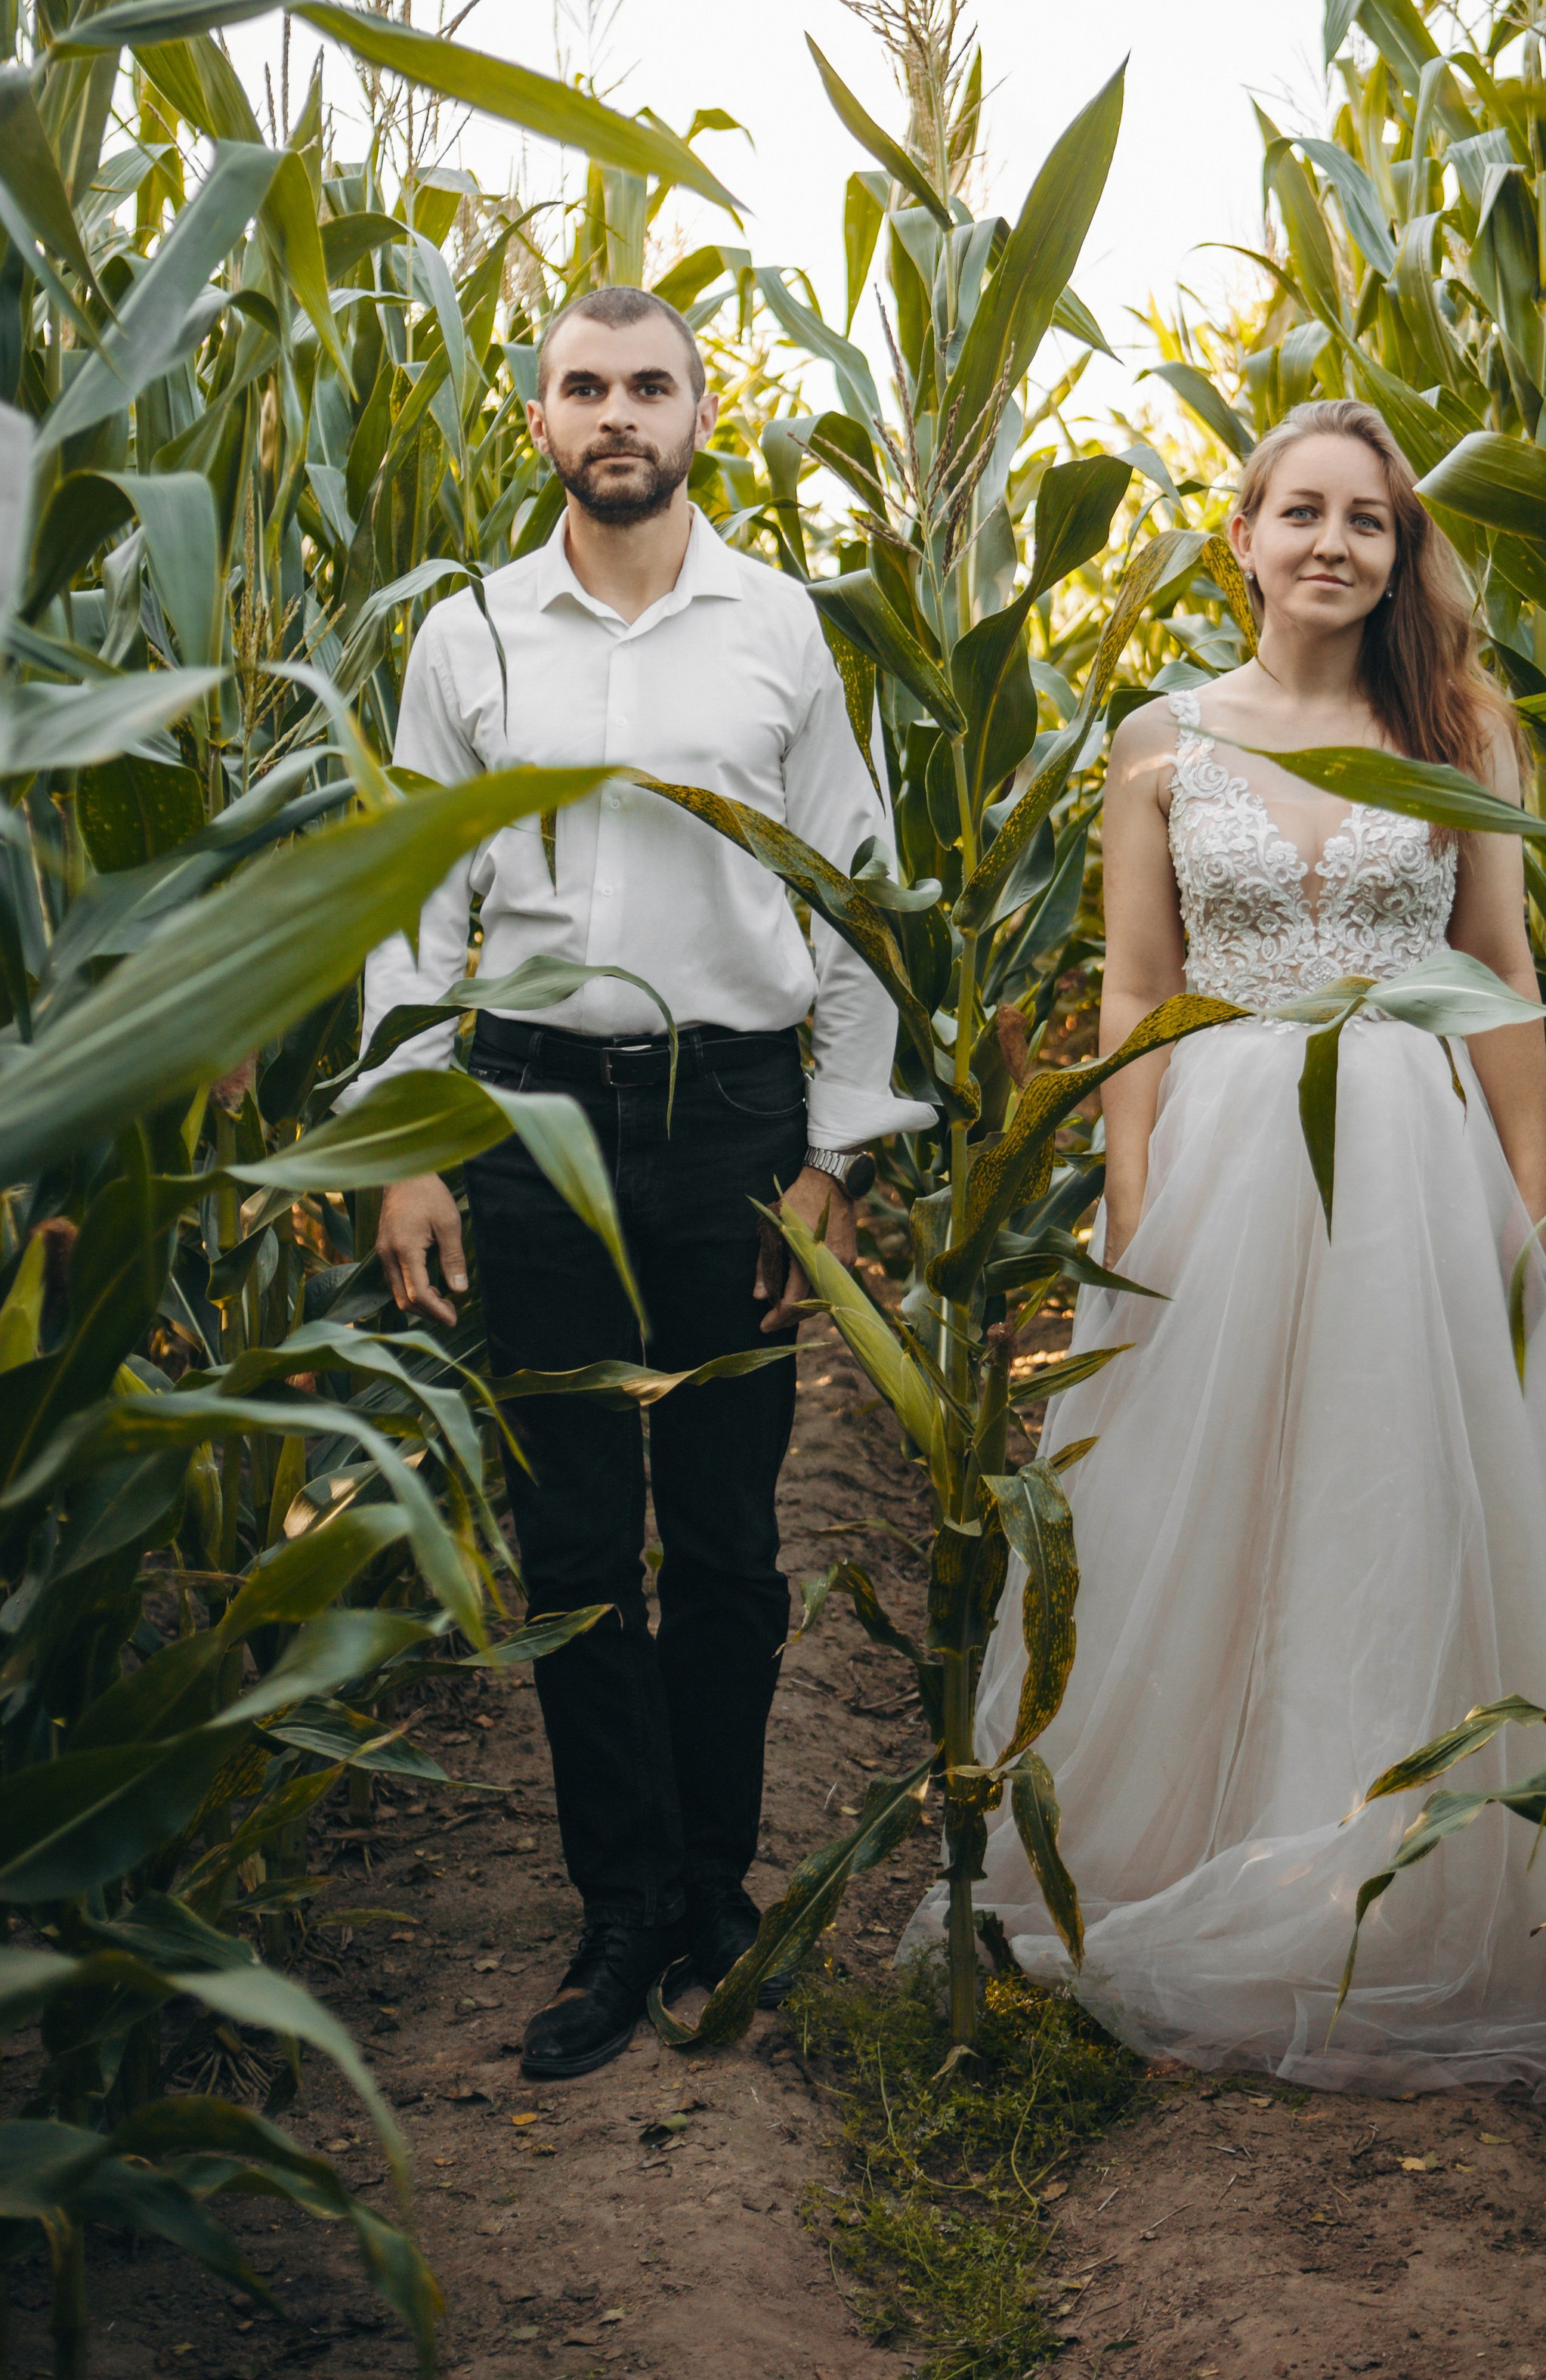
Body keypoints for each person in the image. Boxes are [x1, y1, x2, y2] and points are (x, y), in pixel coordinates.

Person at [905, 398, 1546, 2105]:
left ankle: (1385, 1868)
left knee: (1389, 1484)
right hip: (1214, 1143)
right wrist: (1128, 1195)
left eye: (1367, 519)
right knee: (1200, 1496)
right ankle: (1174, 1847)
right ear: (1243, 535)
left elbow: (1496, 968)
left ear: (1396, 549)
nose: (1333, 543)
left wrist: (1524, 1184)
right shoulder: (1156, 740)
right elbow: (1133, 987)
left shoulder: (1455, 731)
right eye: (1302, 512)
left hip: (1404, 1151)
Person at [363, 284, 932, 2080]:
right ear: (536, 417)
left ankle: (713, 1883)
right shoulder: (469, 634)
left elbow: (853, 889)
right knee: (575, 1539)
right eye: (584, 386)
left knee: (734, 1532)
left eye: (651, 386)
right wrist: (407, 1140)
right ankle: (617, 1905)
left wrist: (838, 1151)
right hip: (526, 1118)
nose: (619, 413)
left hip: (730, 1130)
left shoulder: (775, 626)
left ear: (702, 413)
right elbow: (411, 903)